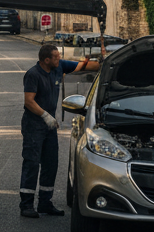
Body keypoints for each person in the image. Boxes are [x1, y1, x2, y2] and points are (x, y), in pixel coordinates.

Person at [20, 42, 100, 218]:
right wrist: (46, 116)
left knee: (51, 163)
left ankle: (44, 203)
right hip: (34, 124)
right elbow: (29, 101)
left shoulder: (59, 66)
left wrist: (104, 63)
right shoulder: (33, 75)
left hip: (49, 127)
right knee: (32, 162)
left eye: (59, 56)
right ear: (46, 60)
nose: (59, 59)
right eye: (55, 57)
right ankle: (26, 204)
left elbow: (83, 66)